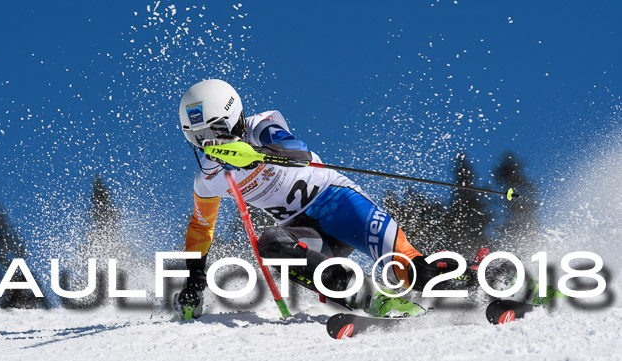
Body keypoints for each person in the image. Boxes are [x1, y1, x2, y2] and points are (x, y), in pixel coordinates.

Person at [174, 78, 456, 319]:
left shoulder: (262, 126)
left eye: (215, 131)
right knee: (271, 243)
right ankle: (373, 300)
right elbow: (201, 228)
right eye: (198, 138)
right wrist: (194, 280)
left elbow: (299, 153)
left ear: (233, 118)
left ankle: (481, 279)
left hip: (342, 205)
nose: (209, 144)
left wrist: (254, 156)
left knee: (413, 274)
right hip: (308, 233)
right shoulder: (208, 180)